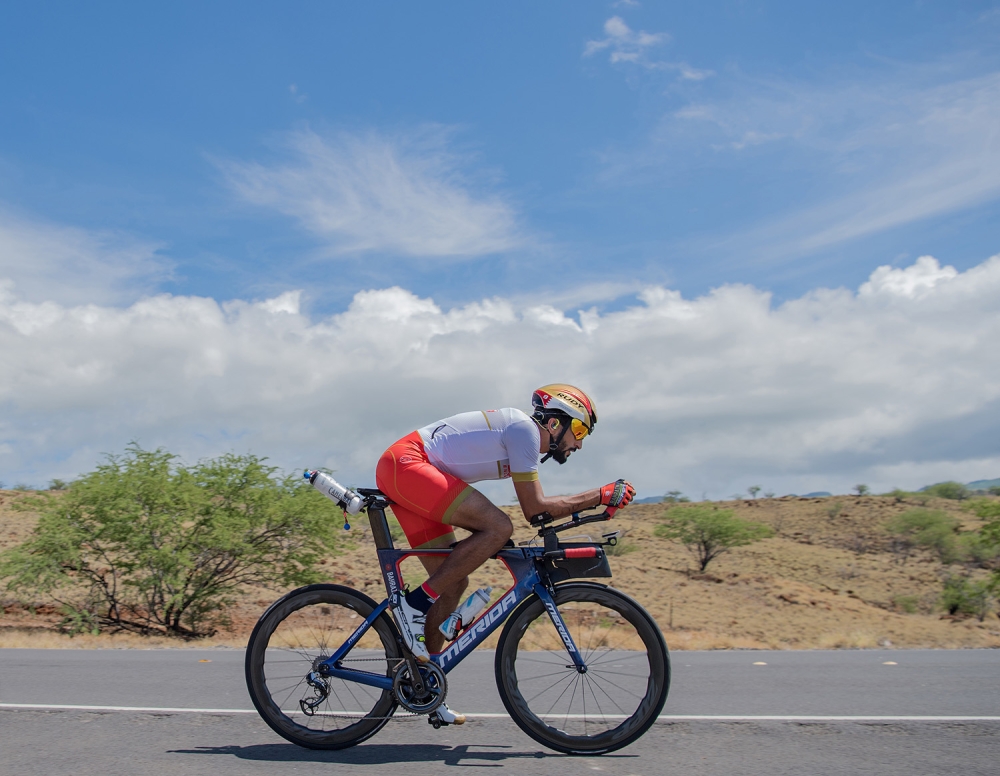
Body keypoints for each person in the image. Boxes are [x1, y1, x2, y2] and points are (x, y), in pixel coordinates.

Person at [374, 383, 636, 725]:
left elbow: (539, 515)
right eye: (580, 430)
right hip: (407, 464)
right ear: (556, 423)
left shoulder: (522, 437)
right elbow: (535, 509)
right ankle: (415, 604)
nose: (580, 443)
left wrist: (594, 504)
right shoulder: (525, 431)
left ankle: (423, 684)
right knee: (498, 527)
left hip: (409, 470)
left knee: (452, 583)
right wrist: (598, 494)